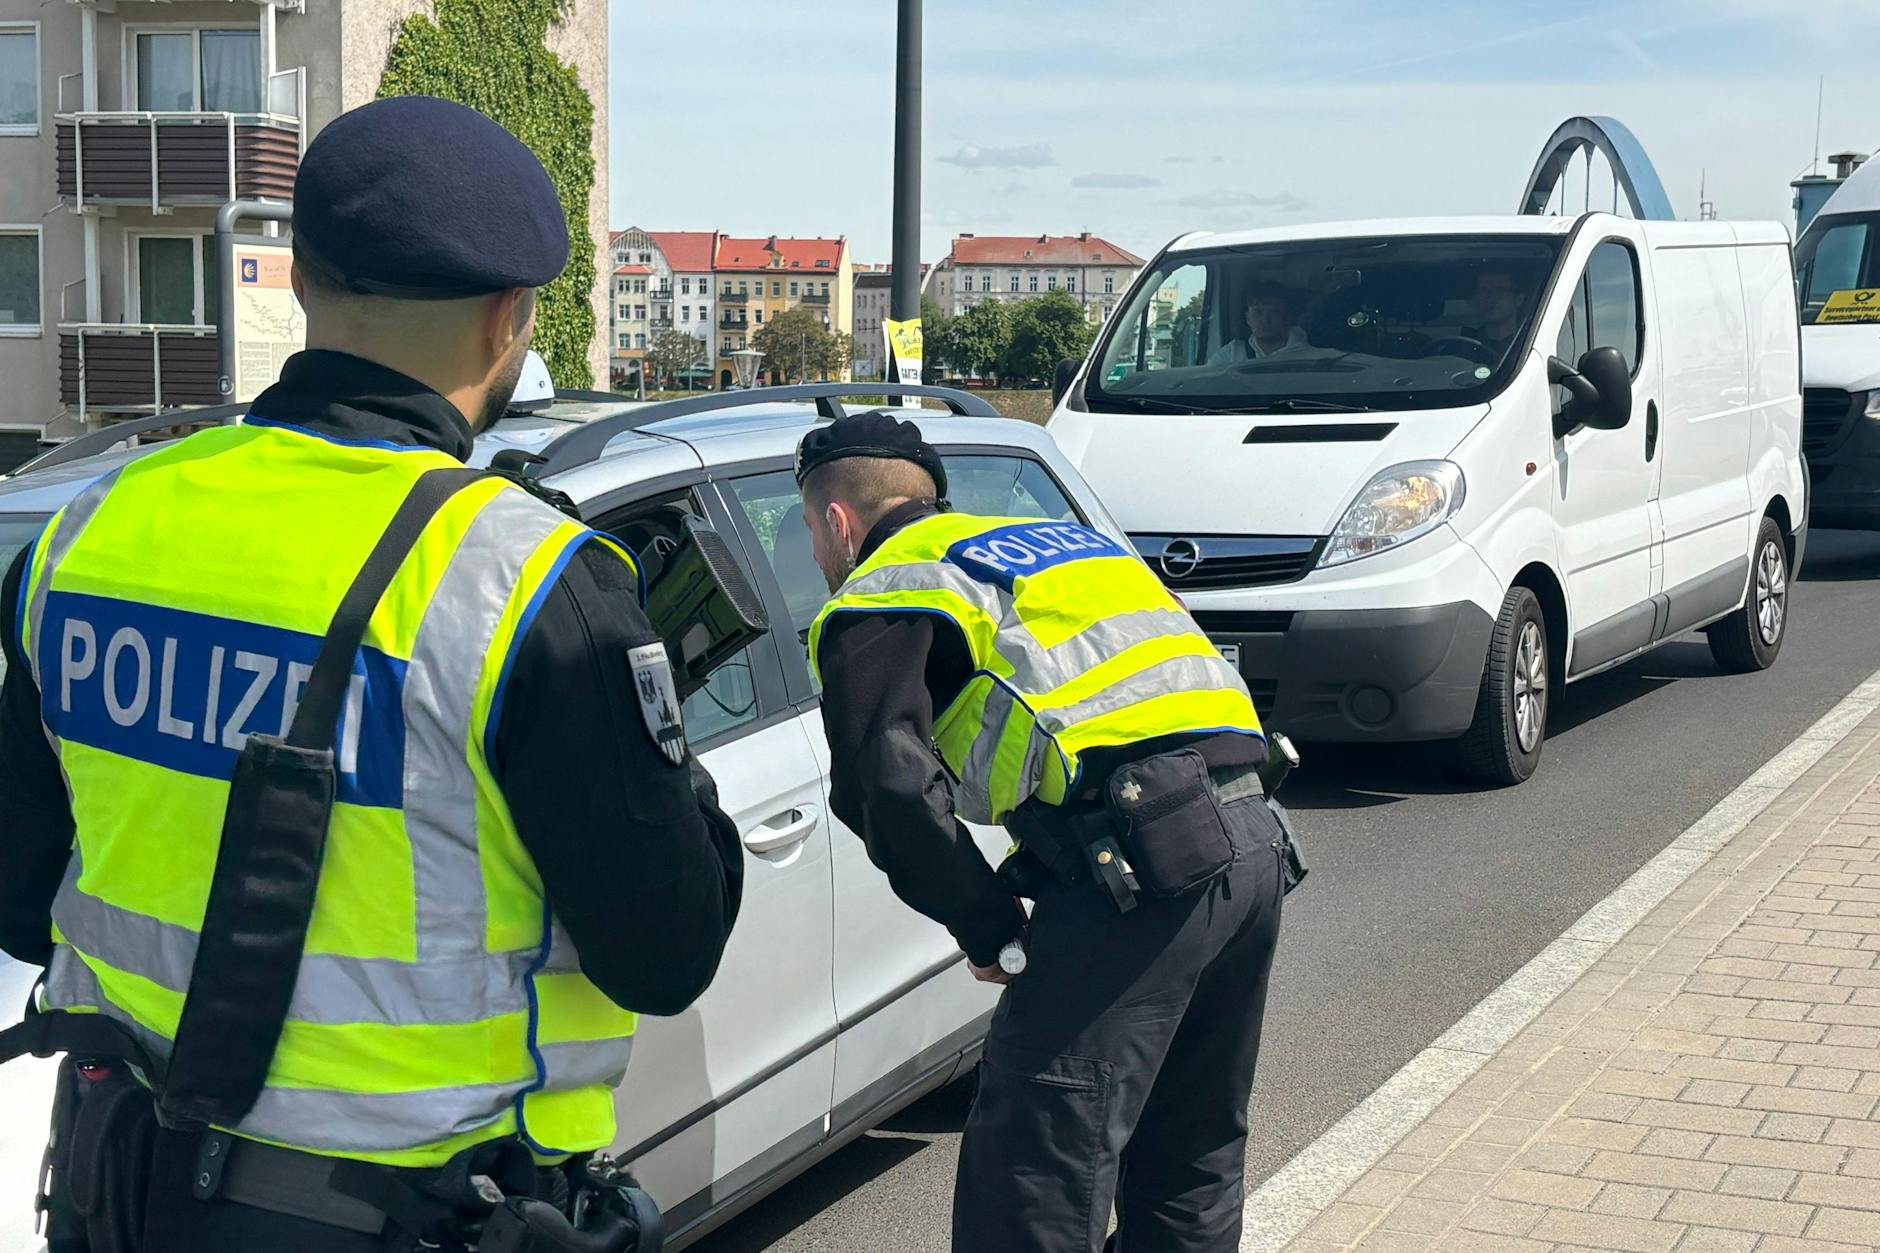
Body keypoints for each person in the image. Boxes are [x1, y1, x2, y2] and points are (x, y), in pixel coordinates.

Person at [0, 96, 743, 1252]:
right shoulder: (522, 582)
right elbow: (666, 950)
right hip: (409, 1214)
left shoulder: (92, 525)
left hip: (132, 1186)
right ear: (510, 319)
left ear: (297, 281)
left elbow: (14, 895)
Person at [798, 411, 1302, 1253]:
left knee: (1032, 1182)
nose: (817, 557)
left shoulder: (887, 587)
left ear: (839, 521)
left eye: (811, 534)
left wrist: (990, 924)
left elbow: (883, 782)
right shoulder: (1057, 549)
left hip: (1140, 874)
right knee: (1191, 1160)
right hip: (1253, 835)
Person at [1208, 281, 1311, 363]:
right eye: (1258, 313)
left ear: (1288, 317)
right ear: (1248, 318)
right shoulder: (1231, 355)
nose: (1265, 320)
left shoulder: (1310, 358)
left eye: (1274, 312)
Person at [1461, 264, 1529, 362]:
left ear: (1519, 299)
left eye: (1500, 291)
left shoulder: (1530, 344)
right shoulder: (1462, 346)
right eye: (1484, 290)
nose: (1491, 298)